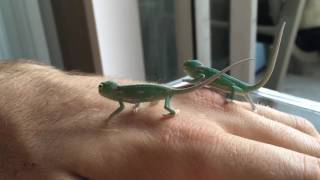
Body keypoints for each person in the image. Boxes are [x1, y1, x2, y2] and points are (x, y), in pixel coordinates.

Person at [0, 61, 319, 180]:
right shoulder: (119, 97)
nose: (106, 94)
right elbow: (124, 104)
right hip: (158, 95)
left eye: (106, 91)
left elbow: (123, 107)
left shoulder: (121, 99)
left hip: (159, 96)